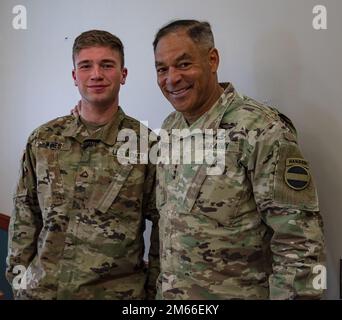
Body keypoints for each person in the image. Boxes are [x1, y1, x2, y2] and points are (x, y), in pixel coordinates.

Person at [153, 20, 325, 299]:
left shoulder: (262, 130)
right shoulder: (171, 127)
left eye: (184, 64)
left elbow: (299, 243)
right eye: (162, 69)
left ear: (212, 60)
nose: (171, 78)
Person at [6, 30, 159, 300]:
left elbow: (162, 226)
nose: (96, 74)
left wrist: (153, 292)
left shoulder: (145, 146)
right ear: (74, 76)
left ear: (123, 75)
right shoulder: (43, 139)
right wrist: (18, 280)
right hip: (42, 291)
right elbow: (25, 211)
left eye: (107, 65)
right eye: (85, 65)